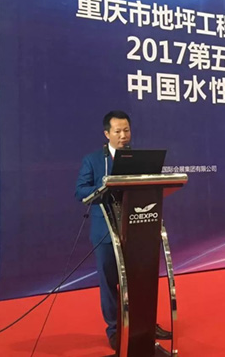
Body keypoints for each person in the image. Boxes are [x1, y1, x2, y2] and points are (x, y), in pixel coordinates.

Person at [75, 110, 170, 351]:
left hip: (137, 229)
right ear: (107, 133)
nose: (123, 135)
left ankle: (145, 326)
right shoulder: (93, 160)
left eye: (126, 130)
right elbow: (80, 191)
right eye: (117, 131)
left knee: (140, 280)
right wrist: (104, 185)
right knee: (110, 283)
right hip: (106, 232)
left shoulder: (138, 159)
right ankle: (115, 330)